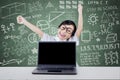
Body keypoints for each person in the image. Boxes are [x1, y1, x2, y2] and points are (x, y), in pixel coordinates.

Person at [17, 4, 83, 46]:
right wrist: (24, 22)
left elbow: (79, 28)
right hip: (51, 67)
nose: (64, 31)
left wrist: (80, 11)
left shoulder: (72, 41)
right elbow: (38, 31)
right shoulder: (49, 39)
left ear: (71, 35)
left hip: (69, 67)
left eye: (69, 30)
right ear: (58, 28)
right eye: (63, 28)